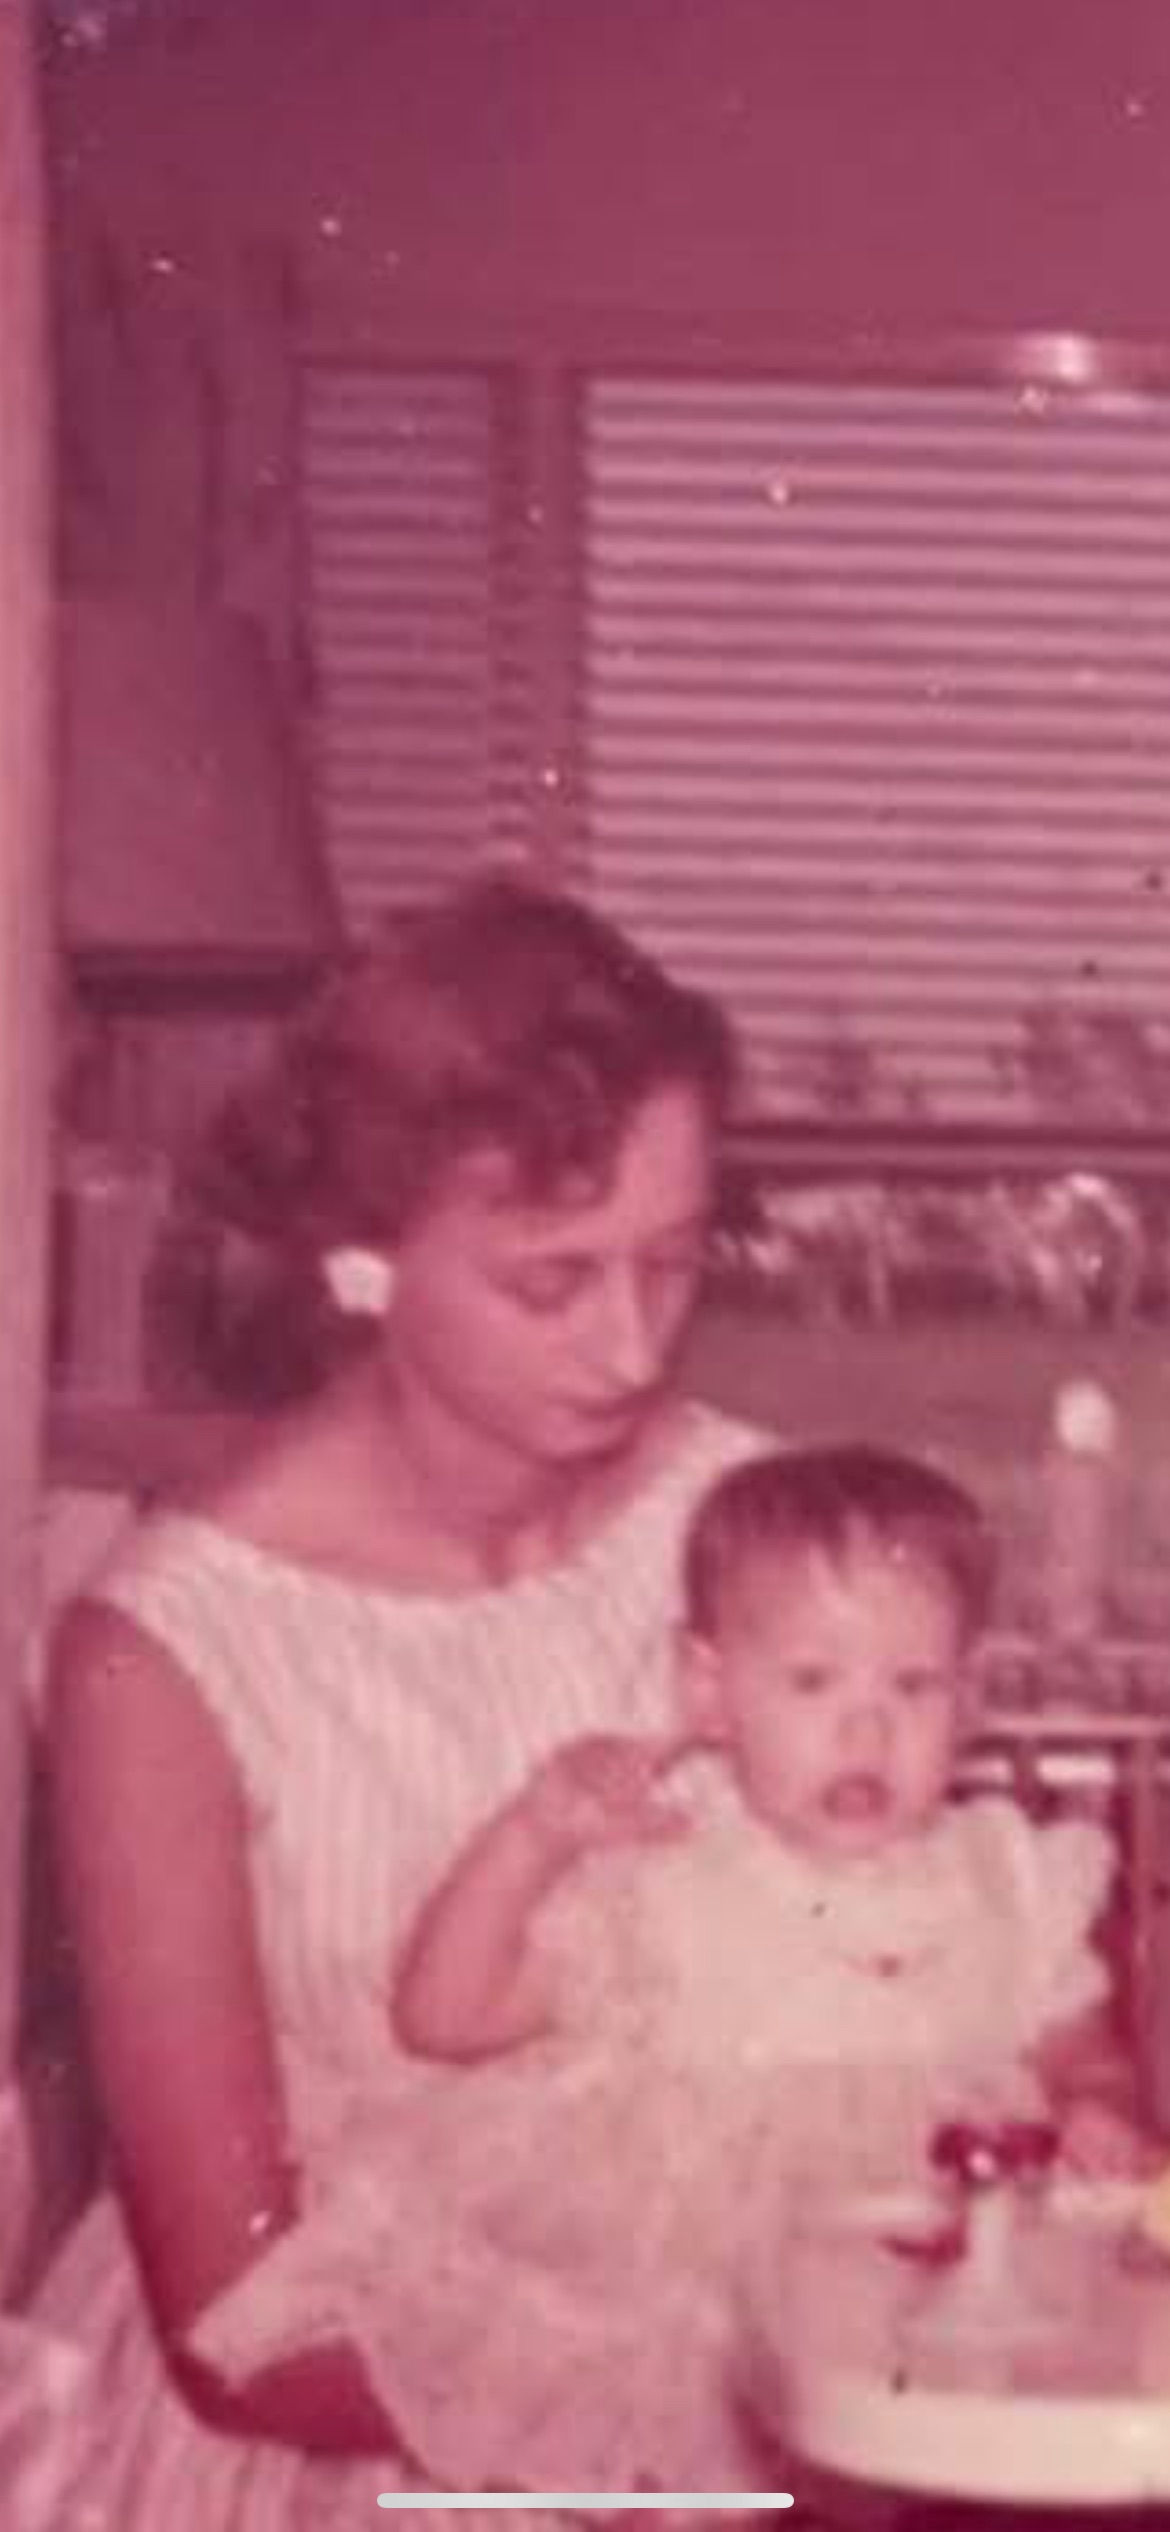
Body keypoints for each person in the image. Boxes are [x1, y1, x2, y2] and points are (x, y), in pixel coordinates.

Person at [26, 875, 769, 2531]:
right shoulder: (166, 1655)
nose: (634, 1343)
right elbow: (239, 2320)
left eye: (671, 1260)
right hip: (351, 2441)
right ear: (360, 1264)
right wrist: (674, 2411)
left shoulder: (741, 1521)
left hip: (750, 2383)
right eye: (552, 1279)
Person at [177, 1444, 1158, 2501]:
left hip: (949, 2288)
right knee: (692, 2463)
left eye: (913, 1686)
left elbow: (1073, 2041)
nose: (866, 1727)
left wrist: (1097, 2104)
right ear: (712, 1688)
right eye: (813, 1681)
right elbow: (445, 2020)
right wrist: (531, 1840)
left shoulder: (1006, 1877)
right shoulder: (670, 1874)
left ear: (968, 1700)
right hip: (705, 2289)